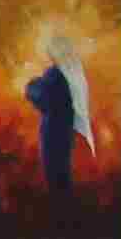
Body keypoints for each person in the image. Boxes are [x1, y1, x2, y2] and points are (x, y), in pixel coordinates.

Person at [25, 49, 83, 217]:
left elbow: (43, 98)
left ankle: (60, 213)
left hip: (54, 128)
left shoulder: (56, 74)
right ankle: (63, 211)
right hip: (64, 128)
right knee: (60, 169)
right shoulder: (71, 76)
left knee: (55, 171)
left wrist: (32, 86)